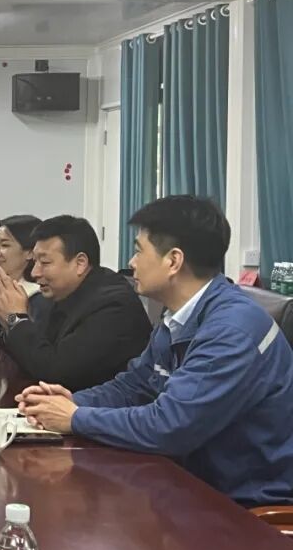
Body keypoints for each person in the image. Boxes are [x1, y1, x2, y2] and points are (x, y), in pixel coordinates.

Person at [17, 196, 293, 506]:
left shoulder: (232, 329)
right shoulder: (180, 315)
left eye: (139, 250)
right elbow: (134, 385)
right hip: (189, 483)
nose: (132, 262)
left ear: (173, 261)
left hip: (246, 504)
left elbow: (170, 426)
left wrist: (76, 418)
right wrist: (70, 402)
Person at [0, 214, 151, 390]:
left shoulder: (113, 306)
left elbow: (55, 372)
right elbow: (36, 354)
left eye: (45, 262)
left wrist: (15, 319)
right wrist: (7, 317)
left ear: (80, 263)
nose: (34, 272)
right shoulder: (61, 293)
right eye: (35, 262)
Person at [0, 215, 49, 338]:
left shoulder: (38, 297)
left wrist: (11, 317)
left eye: (5, 245)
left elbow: (25, 339)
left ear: (30, 253)